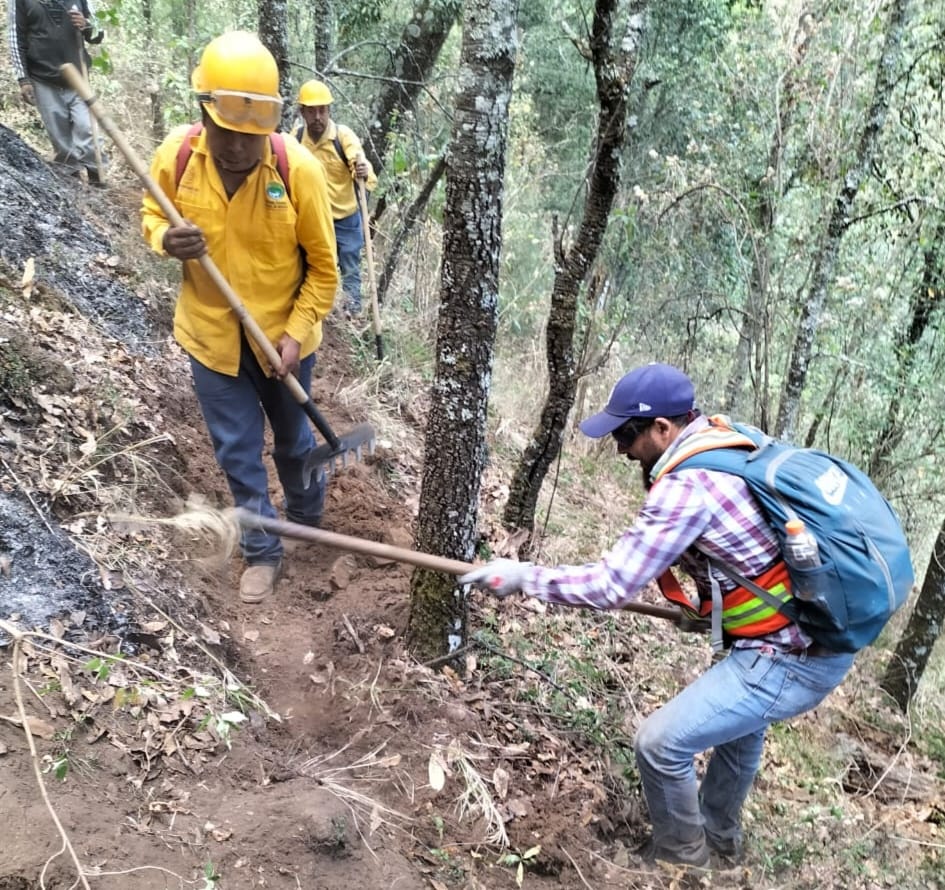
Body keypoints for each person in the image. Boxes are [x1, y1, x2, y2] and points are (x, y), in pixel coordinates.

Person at [461, 363, 855, 869]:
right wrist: (714, 612)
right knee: (740, 736)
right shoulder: (725, 438)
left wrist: (523, 578)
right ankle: (720, 843)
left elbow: (610, 585)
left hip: (790, 654)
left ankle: (682, 863)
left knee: (658, 744)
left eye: (626, 434)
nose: (620, 449)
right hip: (815, 636)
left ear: (663, 429)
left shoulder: (685, 487)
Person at [141, 31, 339, 604]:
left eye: (251, 137)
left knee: (295, 442)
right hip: (210, 338)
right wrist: (164, 238)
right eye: (226, 132)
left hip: (283, 337)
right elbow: (151, 213)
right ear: (205, 113)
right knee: (236, 451)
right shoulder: (176, 158)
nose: (236, 148)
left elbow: (324, 271)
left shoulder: (297, 171)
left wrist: (296, 335)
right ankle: (263, 550)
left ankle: (305, 516)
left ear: (271, 126)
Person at [294, 80, 377, 317]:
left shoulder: (343, 136)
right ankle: (316, 311)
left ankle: (351, 313)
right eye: (311, 111)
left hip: (346, 217)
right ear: (303, 112)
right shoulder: (297, 139)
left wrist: (362, 170)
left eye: (322, 110)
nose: (317, 116)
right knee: (312, 265)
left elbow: (361, 166)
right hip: (313, 218)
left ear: (329, 110)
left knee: (350, 264)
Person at [9, 0, 106, 185]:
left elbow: (98, 33)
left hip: (78, 78)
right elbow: (16, 37)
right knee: (61, 140)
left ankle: (98, 180)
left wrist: (87, 25)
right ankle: (72, 185)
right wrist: (23, 79)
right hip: (42, 77)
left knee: (88, 132)